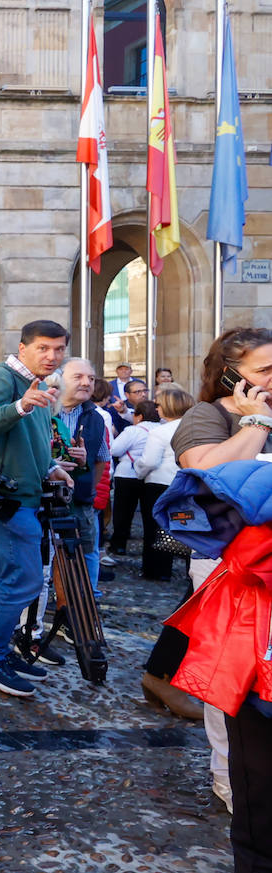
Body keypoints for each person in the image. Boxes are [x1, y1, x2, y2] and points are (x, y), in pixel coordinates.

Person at [171, 326, 272, 811]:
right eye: (265, 370)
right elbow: (209, 475)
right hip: (228, 566)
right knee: (231, 673)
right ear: (231, 373)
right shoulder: (205, 416)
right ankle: (231, 775)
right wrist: (256, 424)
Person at [0, 320, 73, 698]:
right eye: (43, 348)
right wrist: (20, 404)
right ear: (23, 347)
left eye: (58, 349)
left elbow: (34, 440)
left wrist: (50, 467)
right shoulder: (2, 377)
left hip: (25, 496)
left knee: (5, 573)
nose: (52, 356)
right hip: (5, 500)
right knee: (24, 578)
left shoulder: (40, 385)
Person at [50, 358, 109, 596]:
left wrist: (84, 481)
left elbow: (102, 460)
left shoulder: (95, 416)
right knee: (46, 552)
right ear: (60, 379)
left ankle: (85, 598)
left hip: (81, 500)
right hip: (45, 498)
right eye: (79, 377)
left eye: (91, 378)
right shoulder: (43, 410)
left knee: (87, 550)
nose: (87, 383)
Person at [135, 387, 195, 581]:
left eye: (158, 405)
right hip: (187, 482)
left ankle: (158, 570)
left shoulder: (160, 432)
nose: (157, 409)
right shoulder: (195, 427)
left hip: (159, 484)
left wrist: (138, 470)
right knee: (186, 524)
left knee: (155, 527)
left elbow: (150, 461)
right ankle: (191, 569)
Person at [109, 400, 159, 557]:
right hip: (151, 475)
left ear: (140, 416)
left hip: (127, 474)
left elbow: (115, 450)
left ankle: (119, 545)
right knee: (149, 515)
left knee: (123, 513)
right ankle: (150, 548)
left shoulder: (132, 431)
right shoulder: (161, 429)